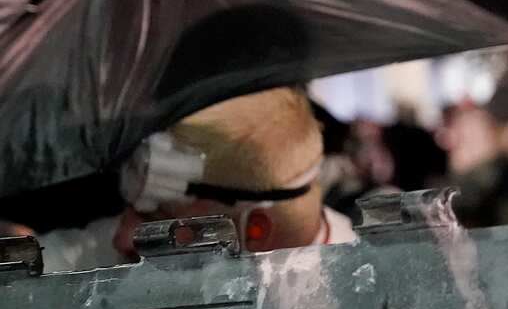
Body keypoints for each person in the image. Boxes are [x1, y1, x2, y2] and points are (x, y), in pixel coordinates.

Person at [38, 86, 355, 272]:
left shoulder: (356, 293)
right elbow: (53, 259)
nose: (122, 239)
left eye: (159, 222)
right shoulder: (128, 247)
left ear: (255, 231)